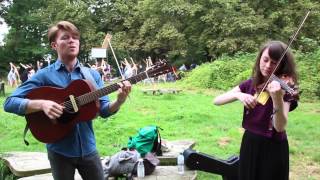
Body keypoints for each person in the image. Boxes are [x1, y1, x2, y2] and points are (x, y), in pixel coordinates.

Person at [4, 20, 131, 180]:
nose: (72, 41)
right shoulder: (44, 75)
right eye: (65, 37)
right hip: (59, 150)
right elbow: (9, 103)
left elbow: (103, 110)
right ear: (54, 45)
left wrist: (119, 100)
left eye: (75, 37)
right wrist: (41, 104)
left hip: (88, 148)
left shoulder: (92, 75)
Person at [213, 41, 298, 180]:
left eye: (274, 62)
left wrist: (277, 98)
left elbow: (280, 126)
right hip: (250, 144)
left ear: (281, 65)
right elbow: (216, 101)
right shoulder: (251, 83)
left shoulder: (284, 88)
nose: (268, 65)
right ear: (259, 59)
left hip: (274, 148)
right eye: (265, 60)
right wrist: (238, 95)